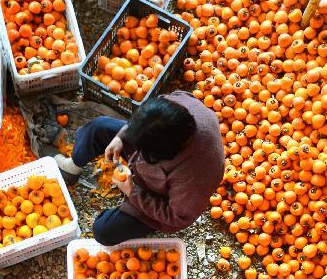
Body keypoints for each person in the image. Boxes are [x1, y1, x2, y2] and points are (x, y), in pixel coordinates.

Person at [52, 91, 224, 245]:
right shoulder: (175, 106)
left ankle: (133, 212)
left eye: (146, 155)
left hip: (159, 195)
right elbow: (141, 122)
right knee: (99, 126)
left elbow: (176, 217)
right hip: (155, 142)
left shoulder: (198, 176)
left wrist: (133, 192)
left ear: (165, 155)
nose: (138, 155)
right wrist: (122, 137)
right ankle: (72, 166)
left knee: (103, 231)